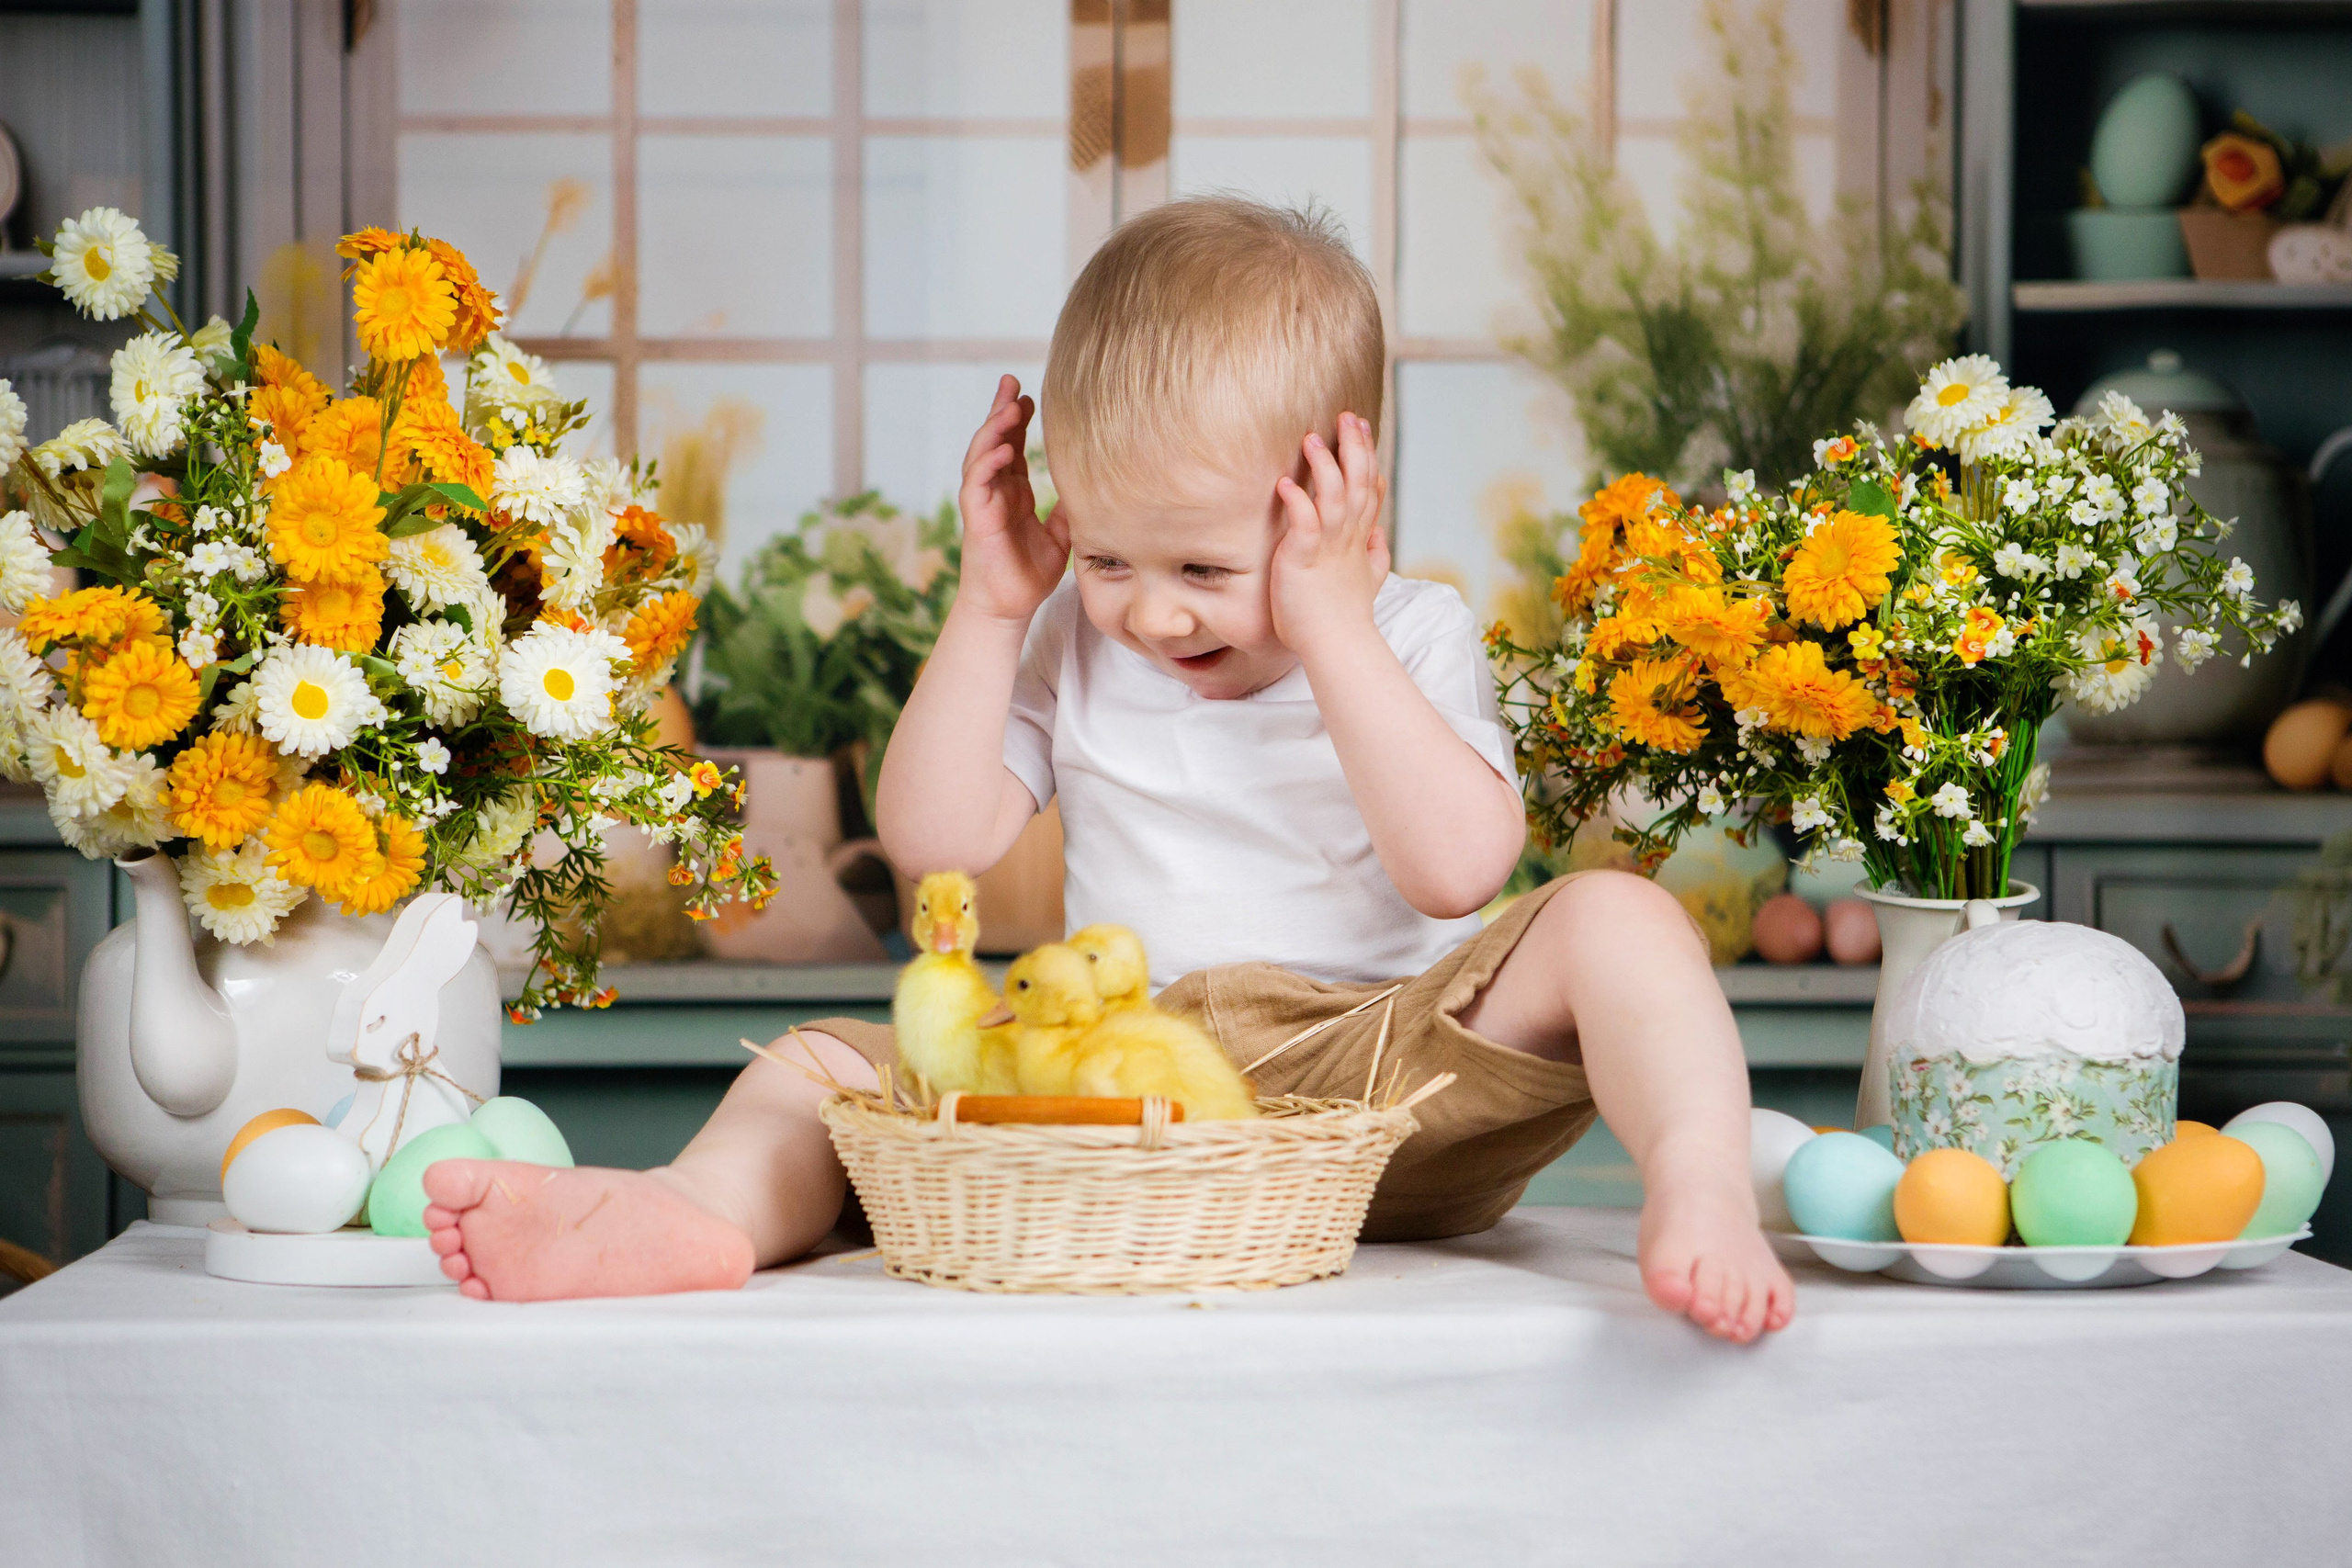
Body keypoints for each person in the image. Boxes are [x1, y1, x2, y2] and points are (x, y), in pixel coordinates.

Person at [423, 196, 1794, 1342]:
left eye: (1205, 567)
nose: (1155, 614)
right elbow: (936, 838)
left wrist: (1330, 626)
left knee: (1619, 919)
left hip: (1379, 1084)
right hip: (1119, 1084)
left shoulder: (1406, 629)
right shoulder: (1072, 636)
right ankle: (696, 1208)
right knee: (815, 1066)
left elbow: (1459, 871)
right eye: (1108, 557)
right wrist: (993, 608)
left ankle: (1699, 1184)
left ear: (1333, 499)